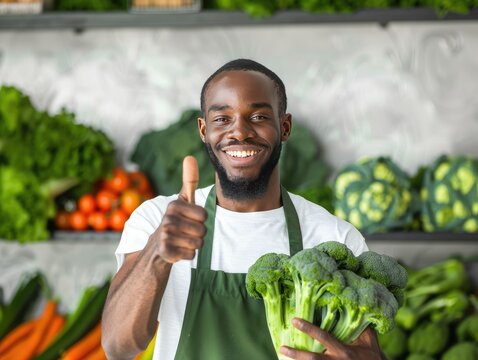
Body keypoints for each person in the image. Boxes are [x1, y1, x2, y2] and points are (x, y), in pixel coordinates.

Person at [101, 59, 384, 360]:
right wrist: (157, 253)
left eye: (259, 116)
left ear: (284, 127)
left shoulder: (334, 238)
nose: (240, 132)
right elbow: (118, 348)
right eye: (222, 119)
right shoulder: (157, 220)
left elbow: (368, 353)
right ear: (203, 129)